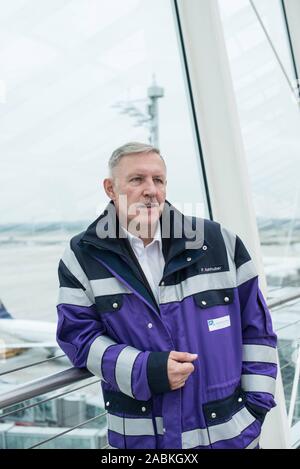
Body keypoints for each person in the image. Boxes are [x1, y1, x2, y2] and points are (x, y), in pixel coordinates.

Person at [56, 142, 277, 449]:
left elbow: (257, 332)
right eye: (137, 180)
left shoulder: (219, 242)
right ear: (110, 188)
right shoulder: (82, 256)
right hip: (142, 441)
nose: (151, 190)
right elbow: (78, 337)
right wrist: (144, 370)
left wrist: (257, 405)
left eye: (158, 180)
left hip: (232, 436)